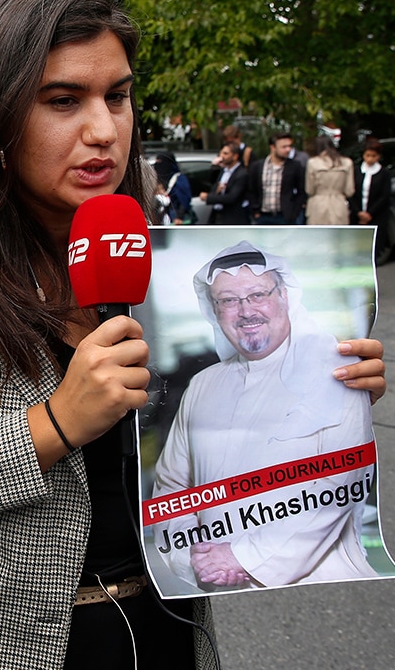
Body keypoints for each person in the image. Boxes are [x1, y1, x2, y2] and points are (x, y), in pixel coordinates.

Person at [0, 0, 385, 670]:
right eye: (63, 100)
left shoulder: (157, 253)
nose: (103, 129)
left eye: (116, 96)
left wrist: (324, 385)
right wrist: (53, 425)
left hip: (164, 626)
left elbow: (212, 442)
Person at [152, 242, 379, 592]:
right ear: (214, 310)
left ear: (285, 296)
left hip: (323, 585)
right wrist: (190, 556)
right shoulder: (202, 386)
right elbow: (172, 487)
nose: (245, 311)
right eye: (228, 300)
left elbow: (340, 485)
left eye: (257, 294)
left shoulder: (335, 371)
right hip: (213, 586)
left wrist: (243, 558)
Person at [247, 133, 306, 226]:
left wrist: (294, 213)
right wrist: (255, 211)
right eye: (284, 147)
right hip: (262, 216)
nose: (288, 149)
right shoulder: (257, 166)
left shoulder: (295, 166)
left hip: (285, 216)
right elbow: (251, 190)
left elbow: (301, 191)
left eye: (290, 146)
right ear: (273, 147)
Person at [351, 138, 392, 257]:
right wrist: (359, 212)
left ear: (378, 156)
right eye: (367, 155)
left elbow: (384, 196)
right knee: (357, 247)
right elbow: (351, 193)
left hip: (376, 216)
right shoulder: (356, 171)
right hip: (357, 215)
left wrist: (369, 213)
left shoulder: (384, 173)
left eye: (373, 156)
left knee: (374, 248)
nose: (370, 159)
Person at [304, 135, 354, 225]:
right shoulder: (347, 162)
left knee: (318, 236)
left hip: (318, 205)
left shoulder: (313, 163)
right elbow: (349, 190)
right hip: (339, 204)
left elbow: (309, 190)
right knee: (339, 237)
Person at [202, 141, 250, 225]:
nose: (222, 156)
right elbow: (211, 186)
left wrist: (208, 197)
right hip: (217, 216)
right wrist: (216, 191)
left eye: (225, 153)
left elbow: (232, 197)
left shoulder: (241, 174)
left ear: (235, 156)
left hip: (233, 218)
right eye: (221, 153)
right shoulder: (223, 171)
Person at [151, 151, 192, 223]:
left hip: (175, 219)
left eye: (161, 163)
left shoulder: (179, 179)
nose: (158, 166)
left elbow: (184, 199)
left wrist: (180, 216)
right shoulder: (154, 179)